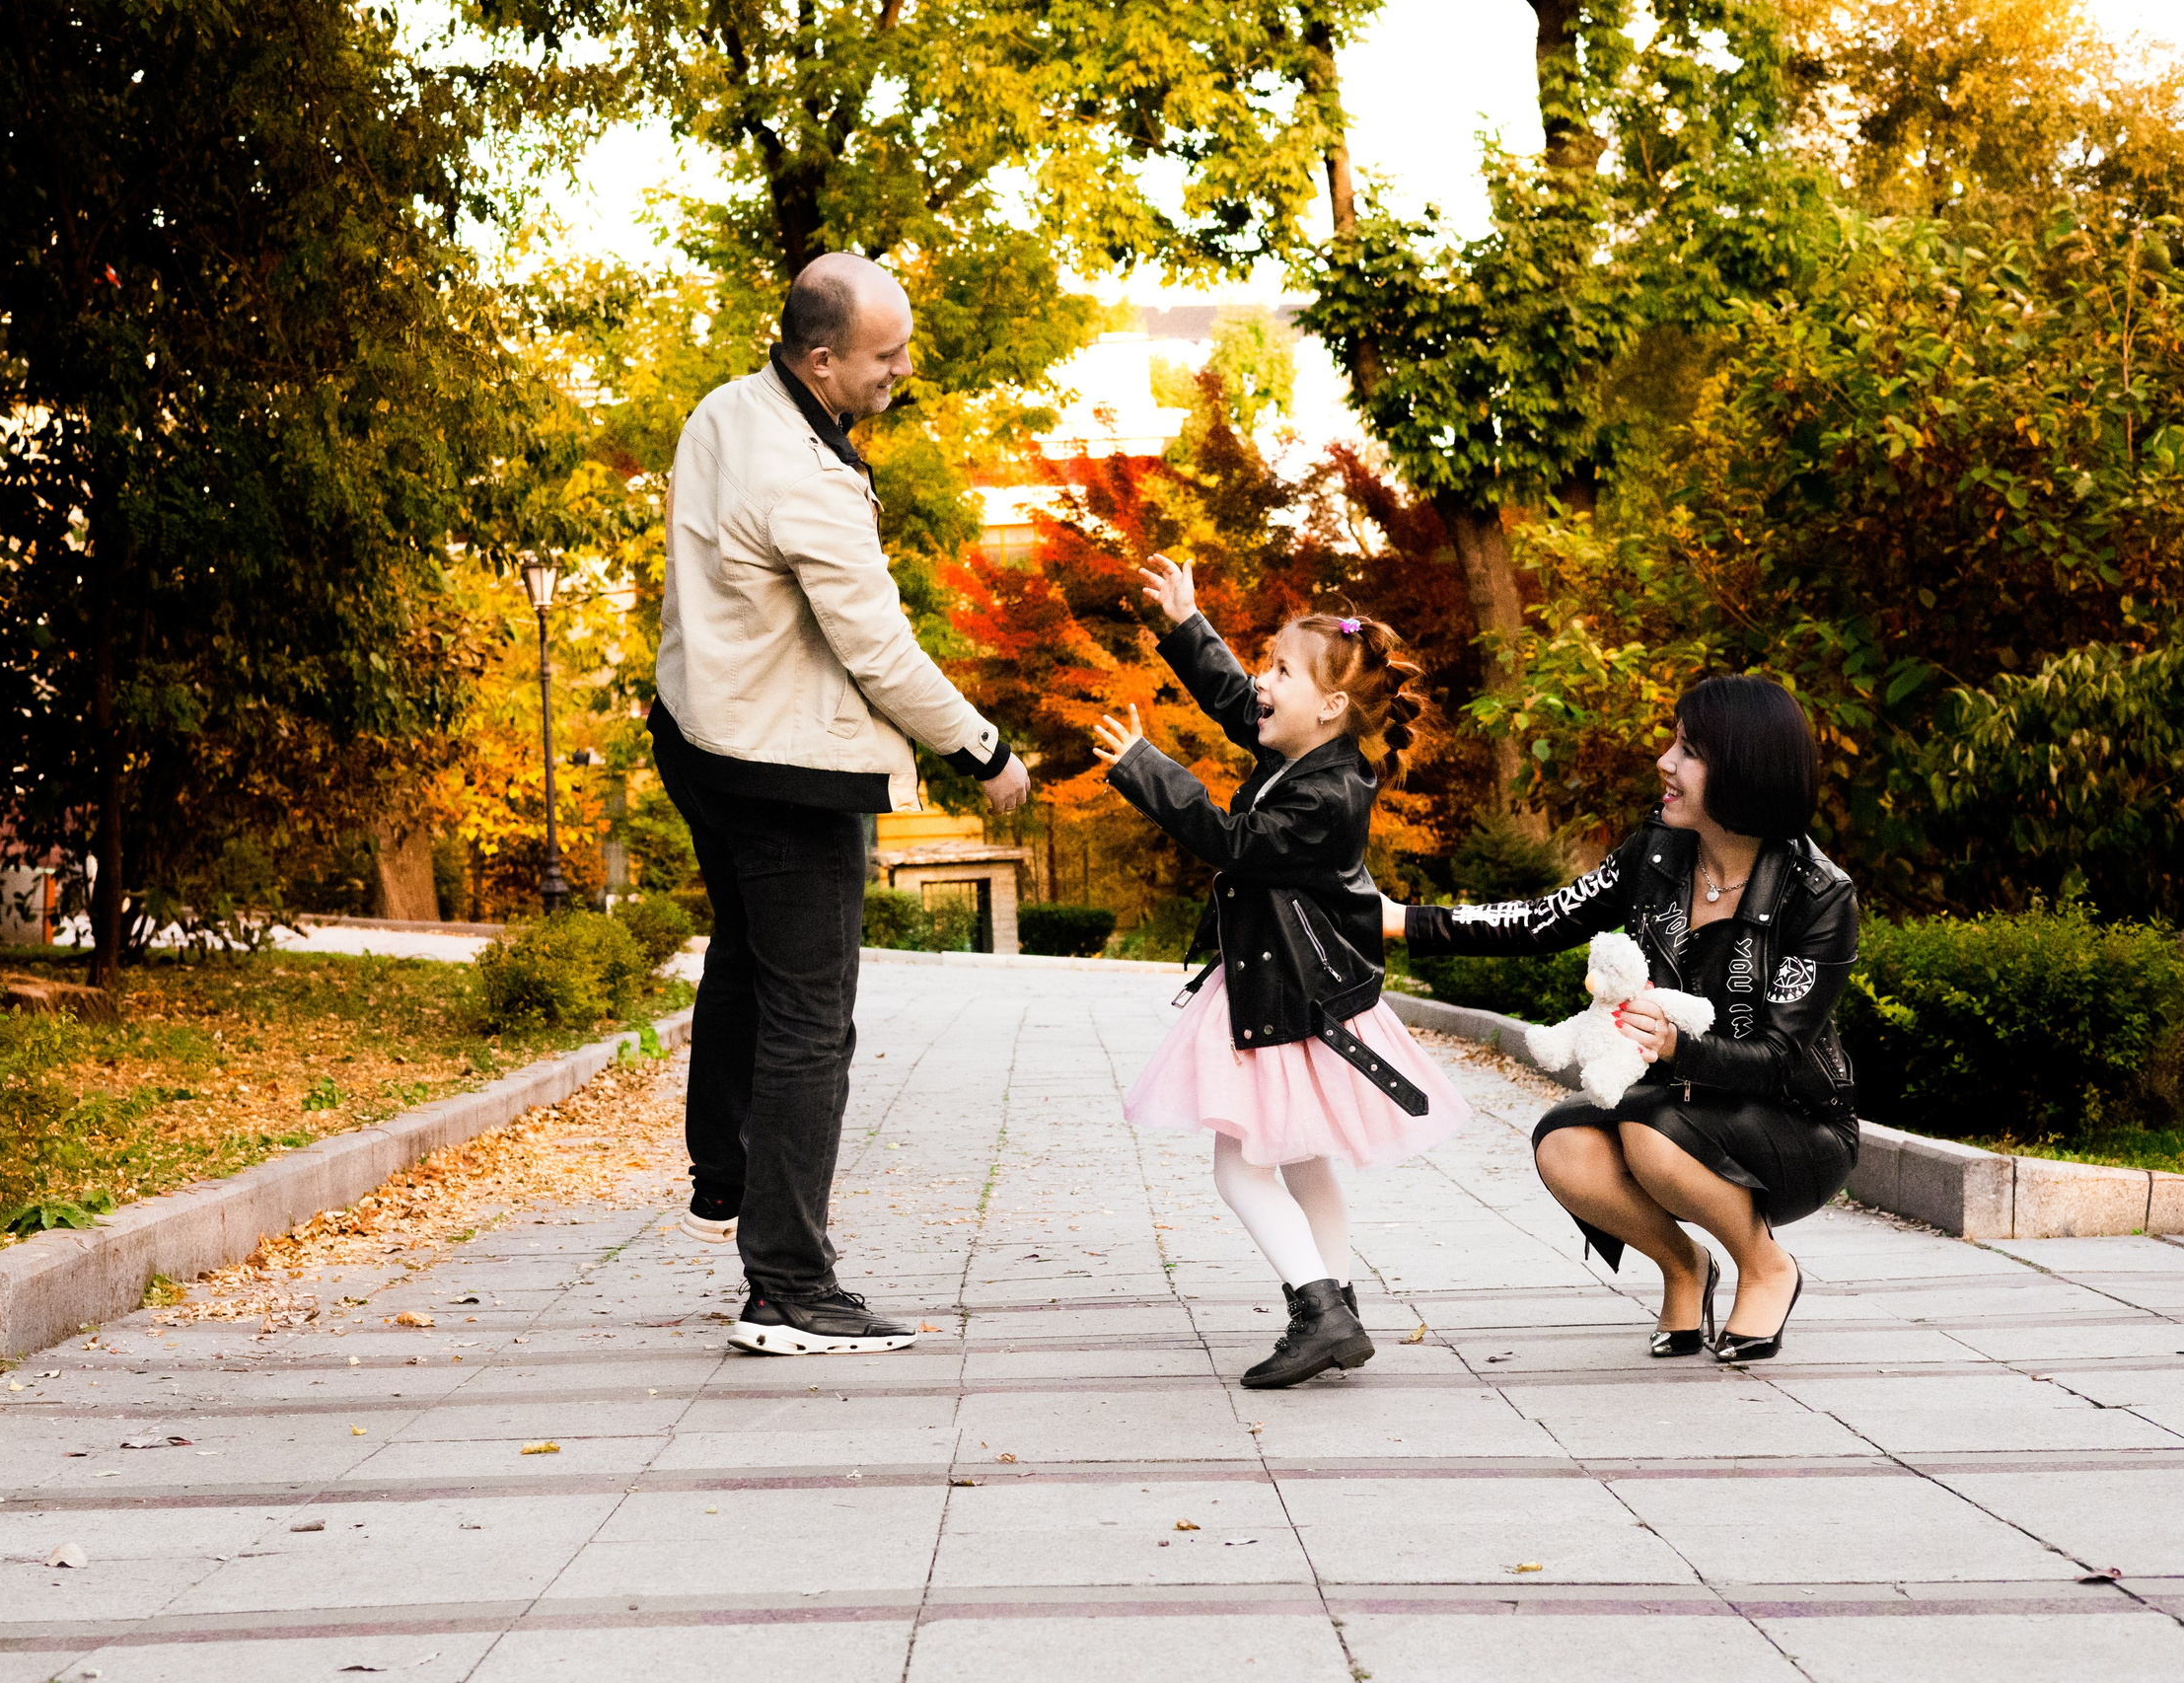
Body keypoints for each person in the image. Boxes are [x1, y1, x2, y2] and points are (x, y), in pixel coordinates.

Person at [652, 252, 1031, 1356]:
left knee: (748, 961)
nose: (903, 371)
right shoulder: (804, 483)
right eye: (884, 356)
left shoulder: (724, 409)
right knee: (813, 1021)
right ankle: (786, 1287)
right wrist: (982, 747)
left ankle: (721, 1166)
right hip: (782, 773)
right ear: (821, 360)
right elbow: (878, 647)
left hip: (698, 736)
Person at [1392, 676, 1858, 1362]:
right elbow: (1542, 919)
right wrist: (1401, 921)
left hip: (1798, 1124)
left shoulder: (1819, 894)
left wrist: (1678, 1048)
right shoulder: (1659, 852)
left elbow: (1784, 1057)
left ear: (1744, 769)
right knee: (1564, 1147)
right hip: (1678, 1107)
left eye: (1689, 750)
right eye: (1674, 742)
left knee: (1646, 1131)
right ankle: (1684, 1269)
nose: (1665, 762)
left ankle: (1765, 1266)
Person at [1094, 556, 1471, 1389]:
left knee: (1240, 1166)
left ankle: (1319, 1308)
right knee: (1303, 1159)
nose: (1261, 681)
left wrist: (1145, 768)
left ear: (1331, 706)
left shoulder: (1329, 796)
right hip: (1290, 984)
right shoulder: (1302, 758)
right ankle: (1336, 1303)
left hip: (1293, 991)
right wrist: (1188, 625)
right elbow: (1236, 701)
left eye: (1280, 670)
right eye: (1264, 662)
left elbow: (1235, 846)